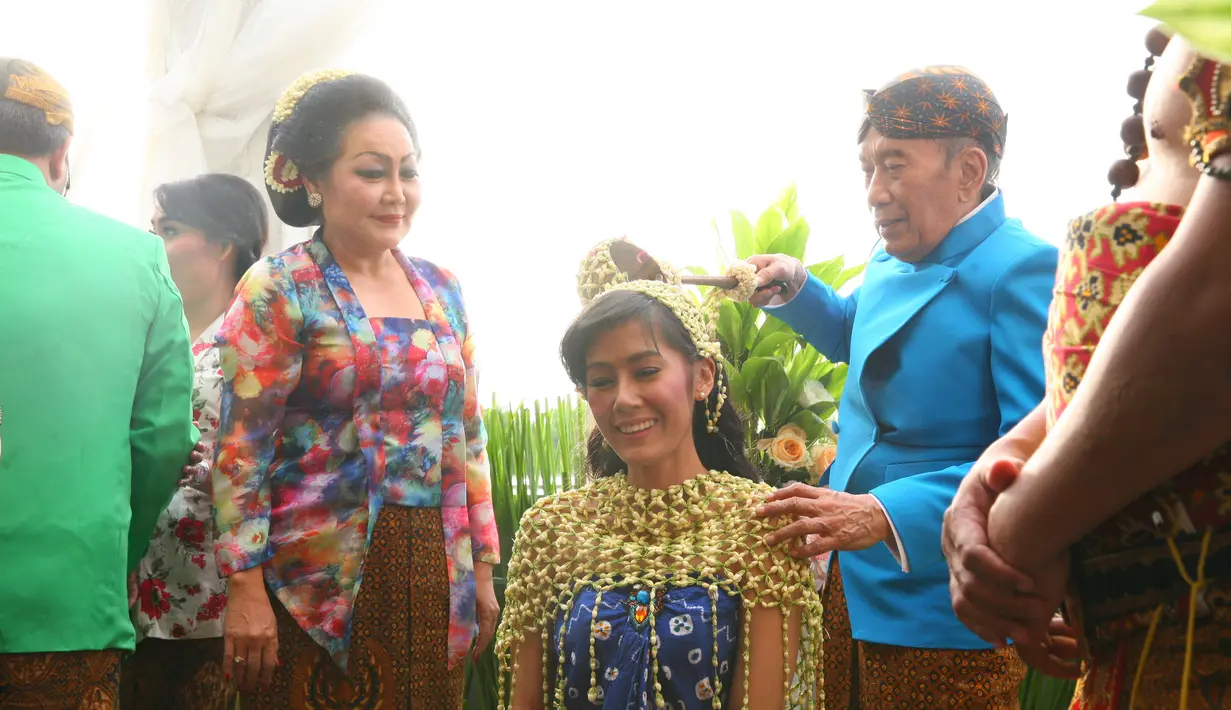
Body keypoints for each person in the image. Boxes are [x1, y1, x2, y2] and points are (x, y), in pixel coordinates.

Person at [748, 66, 1058, 708]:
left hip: (942, 593)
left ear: (970, 171)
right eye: (866, 168)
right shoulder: (895, 254)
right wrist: (798, 292)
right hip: (848, 579)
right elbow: (864, 339)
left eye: (894, 166)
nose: (873, 191)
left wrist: (884, 511)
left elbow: (1039, 452)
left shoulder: (1021, 269)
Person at [943, 32, 1231, 708]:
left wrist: (1022, 525)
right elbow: (1106, 361)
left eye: (893, 162)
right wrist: (999, 470)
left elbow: (1217, 298)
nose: (878, 189)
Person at [211, 70, 500, 709]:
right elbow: (241, 451)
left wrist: (482, 569)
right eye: (372, 172)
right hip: (311, 580)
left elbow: (468, 436)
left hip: (434, 572)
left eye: (409, 171)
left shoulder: (443, 287)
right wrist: (244, 590)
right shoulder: (278, 287)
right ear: (311, 180)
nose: (396, 193)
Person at [494, 238, 823, 710]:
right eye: (602, 381)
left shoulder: (762, 526)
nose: (624, 399)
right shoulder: (551, 531)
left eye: (646, 371)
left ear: (703, 377)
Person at [0, 58, 199, 708]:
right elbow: (163, 439)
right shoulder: (135, 257)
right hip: (65, 602)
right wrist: (109, 551)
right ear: (61, 155)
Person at [120, 174, 269, 710]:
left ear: (224, 243)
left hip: (219, 596)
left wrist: (222, 473)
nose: (152, 241)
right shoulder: (152, 334)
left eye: (170, 229)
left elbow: (304, 460)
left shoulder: (258, 339)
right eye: (153, 228)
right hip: (141, 590)